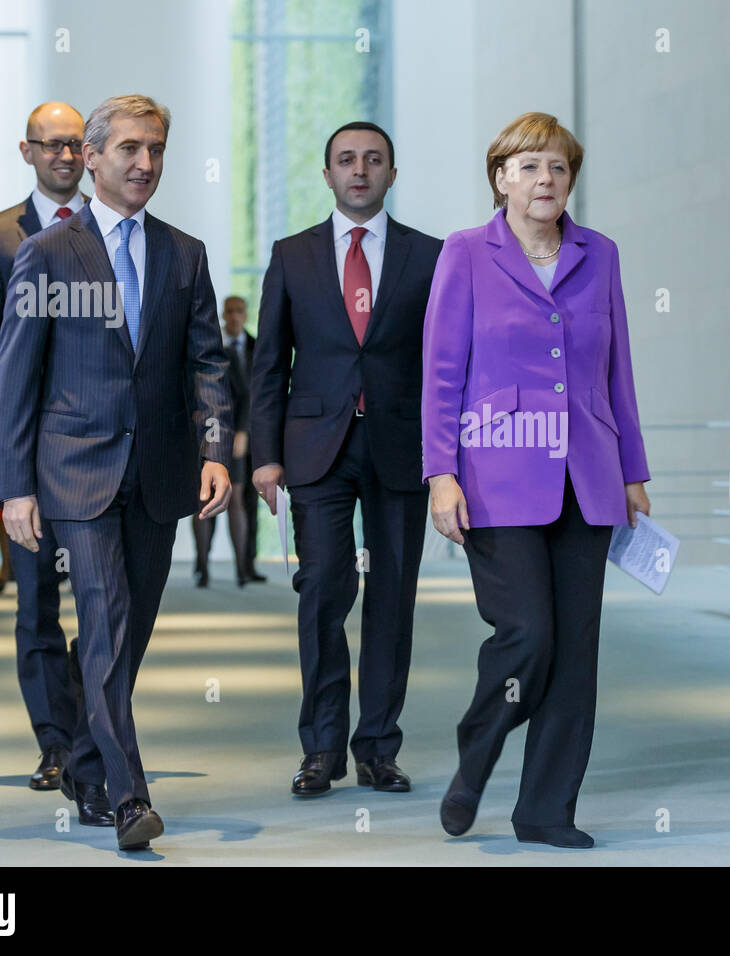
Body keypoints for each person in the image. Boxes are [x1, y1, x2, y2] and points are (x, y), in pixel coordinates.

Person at [0, 94, 233, 851]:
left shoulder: (184, 252)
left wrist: (216, 451)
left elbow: (208, 364)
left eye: (157, 148)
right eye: (130, 148)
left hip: (160, 474)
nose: (145, 163)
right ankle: (131, 798)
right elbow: (15, 375)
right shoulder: (47, 254)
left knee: (126, 636)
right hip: (76, 470)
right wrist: (16, 486)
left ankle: (87, 764)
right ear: (91, 158)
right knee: (103, 619)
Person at [422, 112, 651, 849]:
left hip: (589, 477)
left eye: (556, 167)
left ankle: (546, 810)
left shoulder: (600, 254)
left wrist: (634, 473)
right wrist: (440, 473)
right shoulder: (465, 254)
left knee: (575, 652)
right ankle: (480, 745)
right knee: (528, 633)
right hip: (496, 475)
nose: (543, 180)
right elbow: (440, 373)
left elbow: (617, 370)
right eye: (527, 167)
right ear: (500, 179)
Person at [252, 121, 442, 797]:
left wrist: (449, 457)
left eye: (373, 160)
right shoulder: (292, 255)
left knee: (393, 597)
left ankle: (378, 748)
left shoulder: (431, 257)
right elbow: (269, 363)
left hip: (403, 447)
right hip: (315, 450)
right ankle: (322, 747)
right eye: (346, 160)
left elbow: (445, 363)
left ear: (392, 173)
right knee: (325, 590)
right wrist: (265, 457)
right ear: (327, 174)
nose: (359, 170)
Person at [0, 101, 88, 793]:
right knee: (37, 600)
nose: (65, 156)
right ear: (27, 150)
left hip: (100, 449)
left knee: (104, 602)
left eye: (75, 144)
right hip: (27, 452)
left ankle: (92, 728)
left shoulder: (112, 226)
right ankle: (56, 742)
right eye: (52, 145)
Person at [193, 302, 251, 587]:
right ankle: (202, 568)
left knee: (236, 499)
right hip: (196, 436)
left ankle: (242, 569)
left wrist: (241, 430)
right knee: (201, 500)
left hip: (226, 433)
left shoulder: (224, 355)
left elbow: (245, 396)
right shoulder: (186, 350)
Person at [221, 295, 266, 582]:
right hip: (223, 433)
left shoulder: (258, 347)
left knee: (252, 500)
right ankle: (205, 565)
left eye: (240, 310)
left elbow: (262, 392)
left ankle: (248, 564)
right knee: (224, 499)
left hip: (255, 435)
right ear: (223, 315)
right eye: (230, 311)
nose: (235, 316)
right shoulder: (213, 346)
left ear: (246, 314)